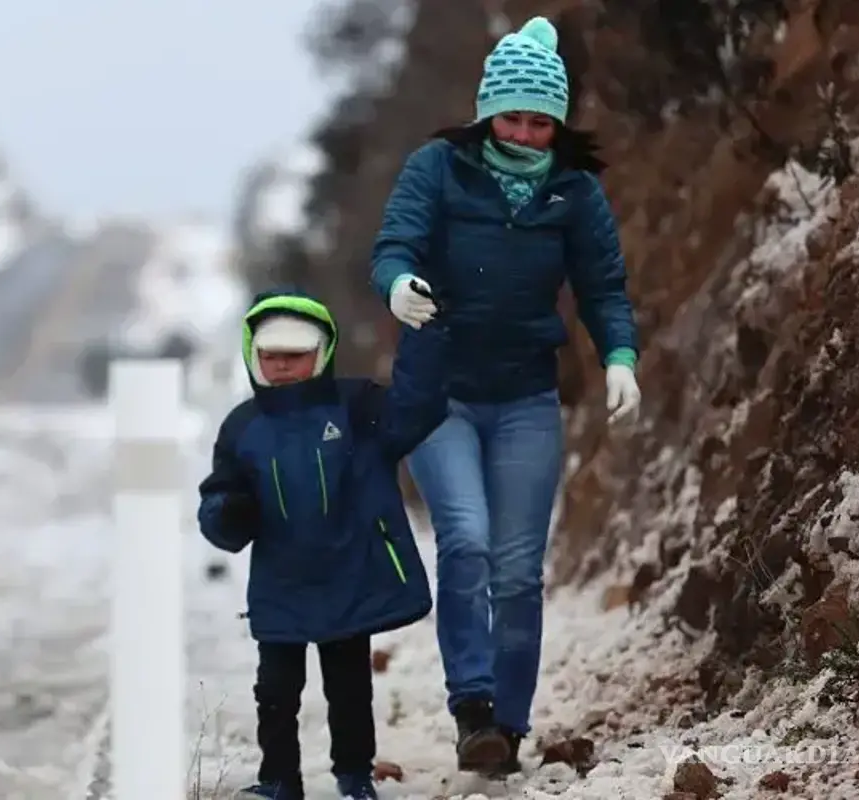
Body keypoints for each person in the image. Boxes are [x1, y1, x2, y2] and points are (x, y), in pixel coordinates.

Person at [368, 15, 643, 778]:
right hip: (439, 395)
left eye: (540, 121)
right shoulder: (438, 168)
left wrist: (619, 356)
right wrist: (398, 288)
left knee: (519, 570)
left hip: (526, 398)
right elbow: (394, 245)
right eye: (513, 116)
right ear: (487, 111)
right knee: (466, 540)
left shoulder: (575, 192)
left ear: (556, 124)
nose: (524, 133)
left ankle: (508, 730)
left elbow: (604, 288)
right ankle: (473, 707)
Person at [197, 287, 449, 800]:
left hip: (348, 576)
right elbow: (217, 502)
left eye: (295, 355)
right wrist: (229, 514)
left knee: (350, 688)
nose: (283, 366)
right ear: (252, 355)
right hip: (280, 584)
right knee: (275, 691)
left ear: (322, 352)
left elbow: (416, 408)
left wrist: (424, 334)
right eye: (271, 356)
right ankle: (279, 780)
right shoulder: (242, 428)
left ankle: (354, 775)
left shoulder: (357, 406)